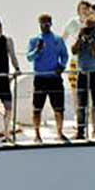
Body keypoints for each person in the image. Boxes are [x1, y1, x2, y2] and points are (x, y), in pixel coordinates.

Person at [26, 13, 69, 143]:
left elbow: (64, 55)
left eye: (47, 23)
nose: (45, 25)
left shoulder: (57, 39)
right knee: (37, 108)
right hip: (40, 78)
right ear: (39, 24)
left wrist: (61, 66)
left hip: (54, 78)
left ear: (51, 23)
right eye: (42, 23)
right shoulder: (34, 40)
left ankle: (60, 133)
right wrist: (37, 50)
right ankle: (37, 135)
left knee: (58, 108)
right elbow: (29, 57)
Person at [71, 13, 95, 141]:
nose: (89, 30)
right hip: (82, 74)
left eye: (91, 28)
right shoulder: (81, 37)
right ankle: (80, 130)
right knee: (81, 104)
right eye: (87, 27)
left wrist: (91, 40)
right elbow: (74, 51)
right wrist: (80, 38)